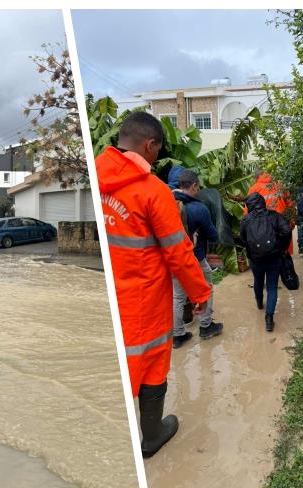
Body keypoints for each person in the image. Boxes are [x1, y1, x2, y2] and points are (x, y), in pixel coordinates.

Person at [96, 111, 211, 459]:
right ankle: (151, 436)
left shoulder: (96, 174)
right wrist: (201, 293)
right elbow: (179, 253)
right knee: (148, 367)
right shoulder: (152, 192)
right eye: (158, 151)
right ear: (150, 146)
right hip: (143, 304)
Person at [170, 168, 223, 348]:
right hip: (195, 259)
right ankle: (206, 326)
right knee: (206, 289)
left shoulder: (167, 204)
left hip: (173, 260)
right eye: (198, 187)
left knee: (177, 297)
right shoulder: (199, 208)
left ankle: (178, 335)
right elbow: (213, 235)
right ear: (193, 186)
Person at [238, 192, 292, 332]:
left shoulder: (245, 220)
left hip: (255, 259)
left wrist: (250, 248)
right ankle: (269, 319)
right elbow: (287, 231)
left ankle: (259, 303)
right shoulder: (274, 216)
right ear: (263, 203)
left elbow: (242, 239)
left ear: (249, 205)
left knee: (258, 281)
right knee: (272, 286)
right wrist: (281, 247)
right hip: (274, 257)